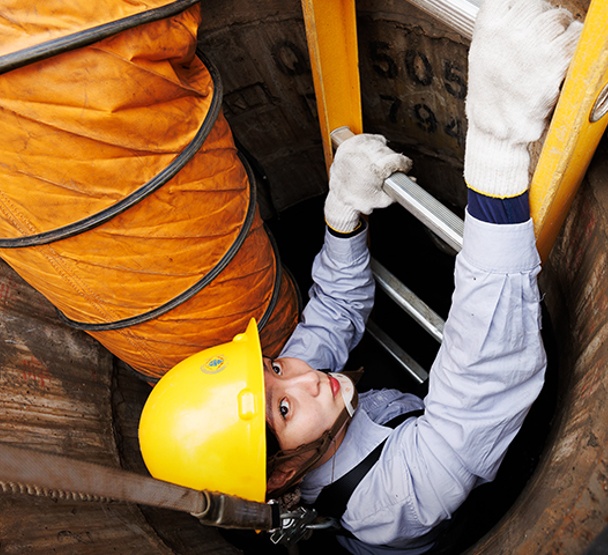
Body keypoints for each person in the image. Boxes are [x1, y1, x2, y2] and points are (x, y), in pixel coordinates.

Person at [138, 0, 581, 552]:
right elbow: (482, 381)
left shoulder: (298, 396)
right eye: (282, 407)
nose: (301, 378)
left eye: (272, 367)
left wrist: (342, 217)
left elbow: (334, 312)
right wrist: (497, 149)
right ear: (278, 478)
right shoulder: (396, 501)